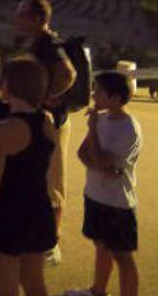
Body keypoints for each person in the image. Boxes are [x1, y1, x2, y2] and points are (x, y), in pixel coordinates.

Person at [0, 57, 59, 296]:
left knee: (5, 289)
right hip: (38, 210)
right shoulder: (47, 121)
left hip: (6, 215)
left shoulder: (4, 131)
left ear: (9, 85)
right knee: (35, 285)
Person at [65, 72, 141, 296]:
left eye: (98, 91)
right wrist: (101, 164)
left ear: (116, 98)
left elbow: (100, 160)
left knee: (123, 256)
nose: (93, 95)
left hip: (117, 203)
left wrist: (92, 130)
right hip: (95, 195)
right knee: (101, 246)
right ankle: (98, 291)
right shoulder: (102, 119)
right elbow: (83, 153)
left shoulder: (129, 129)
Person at [14, 0, 77, 265]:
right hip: (38, 118)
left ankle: (52, 242)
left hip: (52, 121)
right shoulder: (37, 43)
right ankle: (39, 235)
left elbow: (68, 73)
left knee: (53, 181)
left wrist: (48, 96)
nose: (17, 19)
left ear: (39, 18)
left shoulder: (50, 44)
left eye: (23, 14)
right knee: (38, 179)